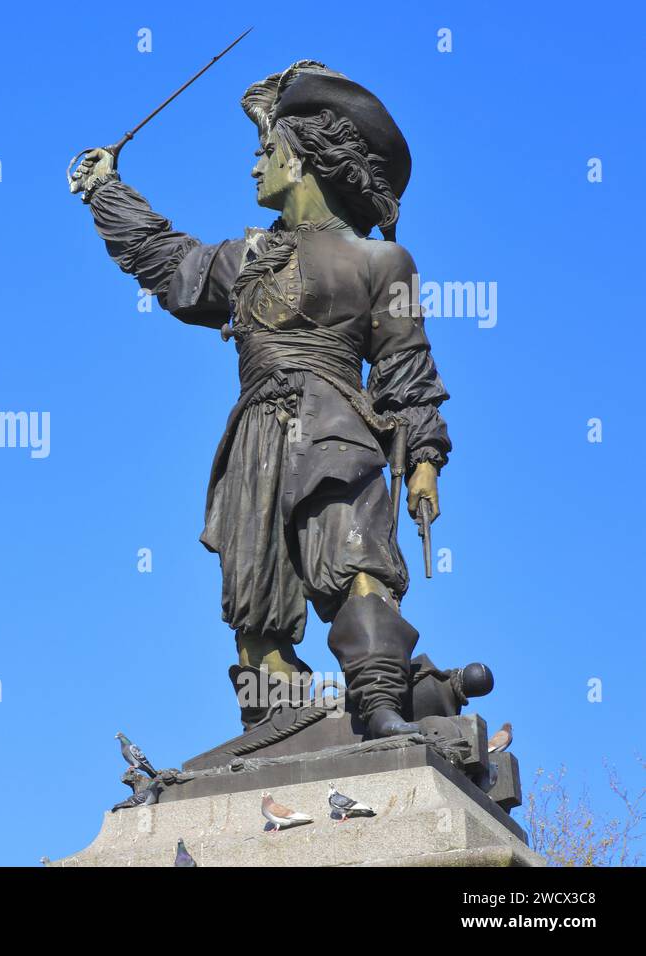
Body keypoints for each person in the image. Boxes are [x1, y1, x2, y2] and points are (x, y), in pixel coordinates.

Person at [70, 61, 451, 738]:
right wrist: (107, 191)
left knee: (355, 558)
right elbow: (166, 260)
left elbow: (404, 363)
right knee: (254, 596)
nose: (255, 169)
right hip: (253, 441)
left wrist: (422, 454)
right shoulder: (244, 262)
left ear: (301, 161)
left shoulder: (381, 263)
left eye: (265, 152)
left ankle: (380, 700)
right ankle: (275, 722)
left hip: (336, 428)